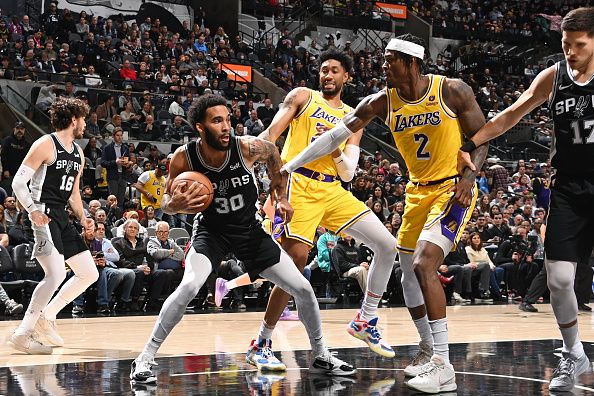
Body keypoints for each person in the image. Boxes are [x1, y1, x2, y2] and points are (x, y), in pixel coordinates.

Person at [279, 35, 488, 393]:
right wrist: (290, 165)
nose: (383, 66)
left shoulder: (451, 90)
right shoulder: (381, 101)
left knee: (424, 264)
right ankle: (426, 349)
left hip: (452, 189)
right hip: (415, 192)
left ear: (412, 63)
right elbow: (332, 138)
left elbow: (482, 136)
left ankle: (443, 362)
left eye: (390, 60)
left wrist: (471, 176)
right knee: (407, 273)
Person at [130, 94, 355, 385]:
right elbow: (168, 204)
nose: (226, 127)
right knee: (189, 286)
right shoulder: (184, 157)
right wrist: (177, 205)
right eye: (216, 121)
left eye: (227, 119)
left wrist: (281, 197)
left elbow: (274, 154)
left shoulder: (247, 146)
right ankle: (145, 357)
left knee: (302, 288)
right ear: (200, 127)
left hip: (248, 230)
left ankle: (319, 354)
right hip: (211, 231)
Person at [214, 49, 398, 369]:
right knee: (294, 267)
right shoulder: (303, 96)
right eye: (323, 70)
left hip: (332, 189)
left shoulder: (354, 116)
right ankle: (262, 341)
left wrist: (336, 148)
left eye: (334, 70)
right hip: (297, 183)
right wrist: (253, 159)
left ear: (346, 77)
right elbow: (271, 134)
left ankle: (365, 321)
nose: (327, 75)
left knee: (387, 244)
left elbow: (348, 173)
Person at [456, 8, 594, 391]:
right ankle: (574, 352)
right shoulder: (553, 76)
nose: (570, 51)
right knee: (560, 279)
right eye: (565, 44)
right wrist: (472, 141)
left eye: (578, 45)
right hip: (568, 186)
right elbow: (512, 114)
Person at [7, 97, 99, 354]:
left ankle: (48, 315)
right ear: (73, 119)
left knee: (89, 273)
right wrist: (33, 210)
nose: (85, 123)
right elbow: (17, 183)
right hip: (42, 213)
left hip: (61, 215)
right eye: (83, 118)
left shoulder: (78, 153)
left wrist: (83, 218)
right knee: (56, 273)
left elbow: (74, 194)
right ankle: (23, 333)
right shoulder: (46, 143)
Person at [100, 128, 132, 208]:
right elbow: (103, 163)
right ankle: (111, 217)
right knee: (113, 199)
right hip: (113, 176)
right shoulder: (107, 148)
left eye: (121, 135)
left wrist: (129, 164)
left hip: (123, 175)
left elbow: (129, 160)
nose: (120, 137)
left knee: (121, 200)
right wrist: (115, 162)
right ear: (113, 136)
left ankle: (118, 218)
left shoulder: (125, 148)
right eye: (118, 135)